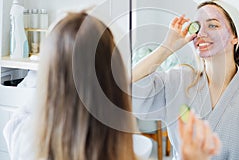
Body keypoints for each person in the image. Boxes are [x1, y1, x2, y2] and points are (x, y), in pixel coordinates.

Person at [3, 12, 221, 160]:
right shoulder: (122, 150)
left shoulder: (22, 137)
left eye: (213, 24)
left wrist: (59, 59)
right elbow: (122, 86)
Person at [132, 0, 239, 160]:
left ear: (235, 37)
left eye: (213, 25)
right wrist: (167, 47)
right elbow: (130, 91)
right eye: (197, 27)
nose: (201, 34)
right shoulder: (178, 80)